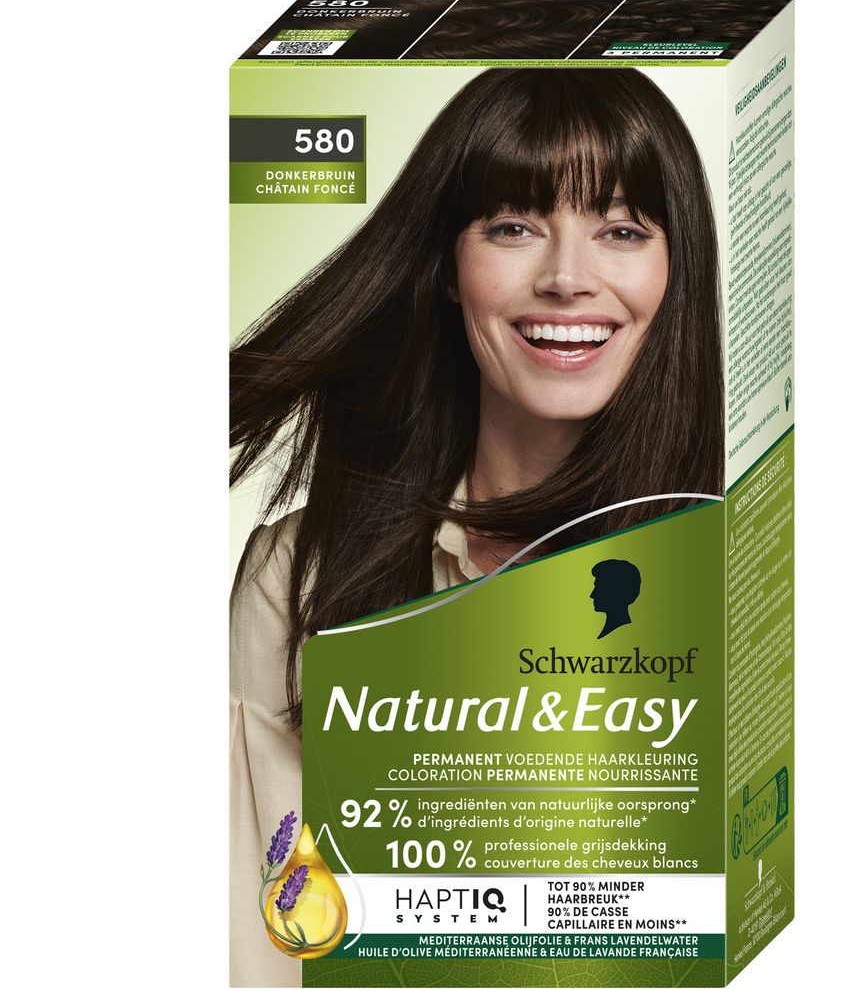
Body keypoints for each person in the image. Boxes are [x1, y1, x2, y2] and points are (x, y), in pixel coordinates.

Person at [229, 67, 723, 985]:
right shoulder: (299, 575)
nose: (567, 278)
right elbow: (265, 942)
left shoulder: (744, 568)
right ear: (448, 272)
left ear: (676, 272)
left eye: (621, 230)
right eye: (513, 227)